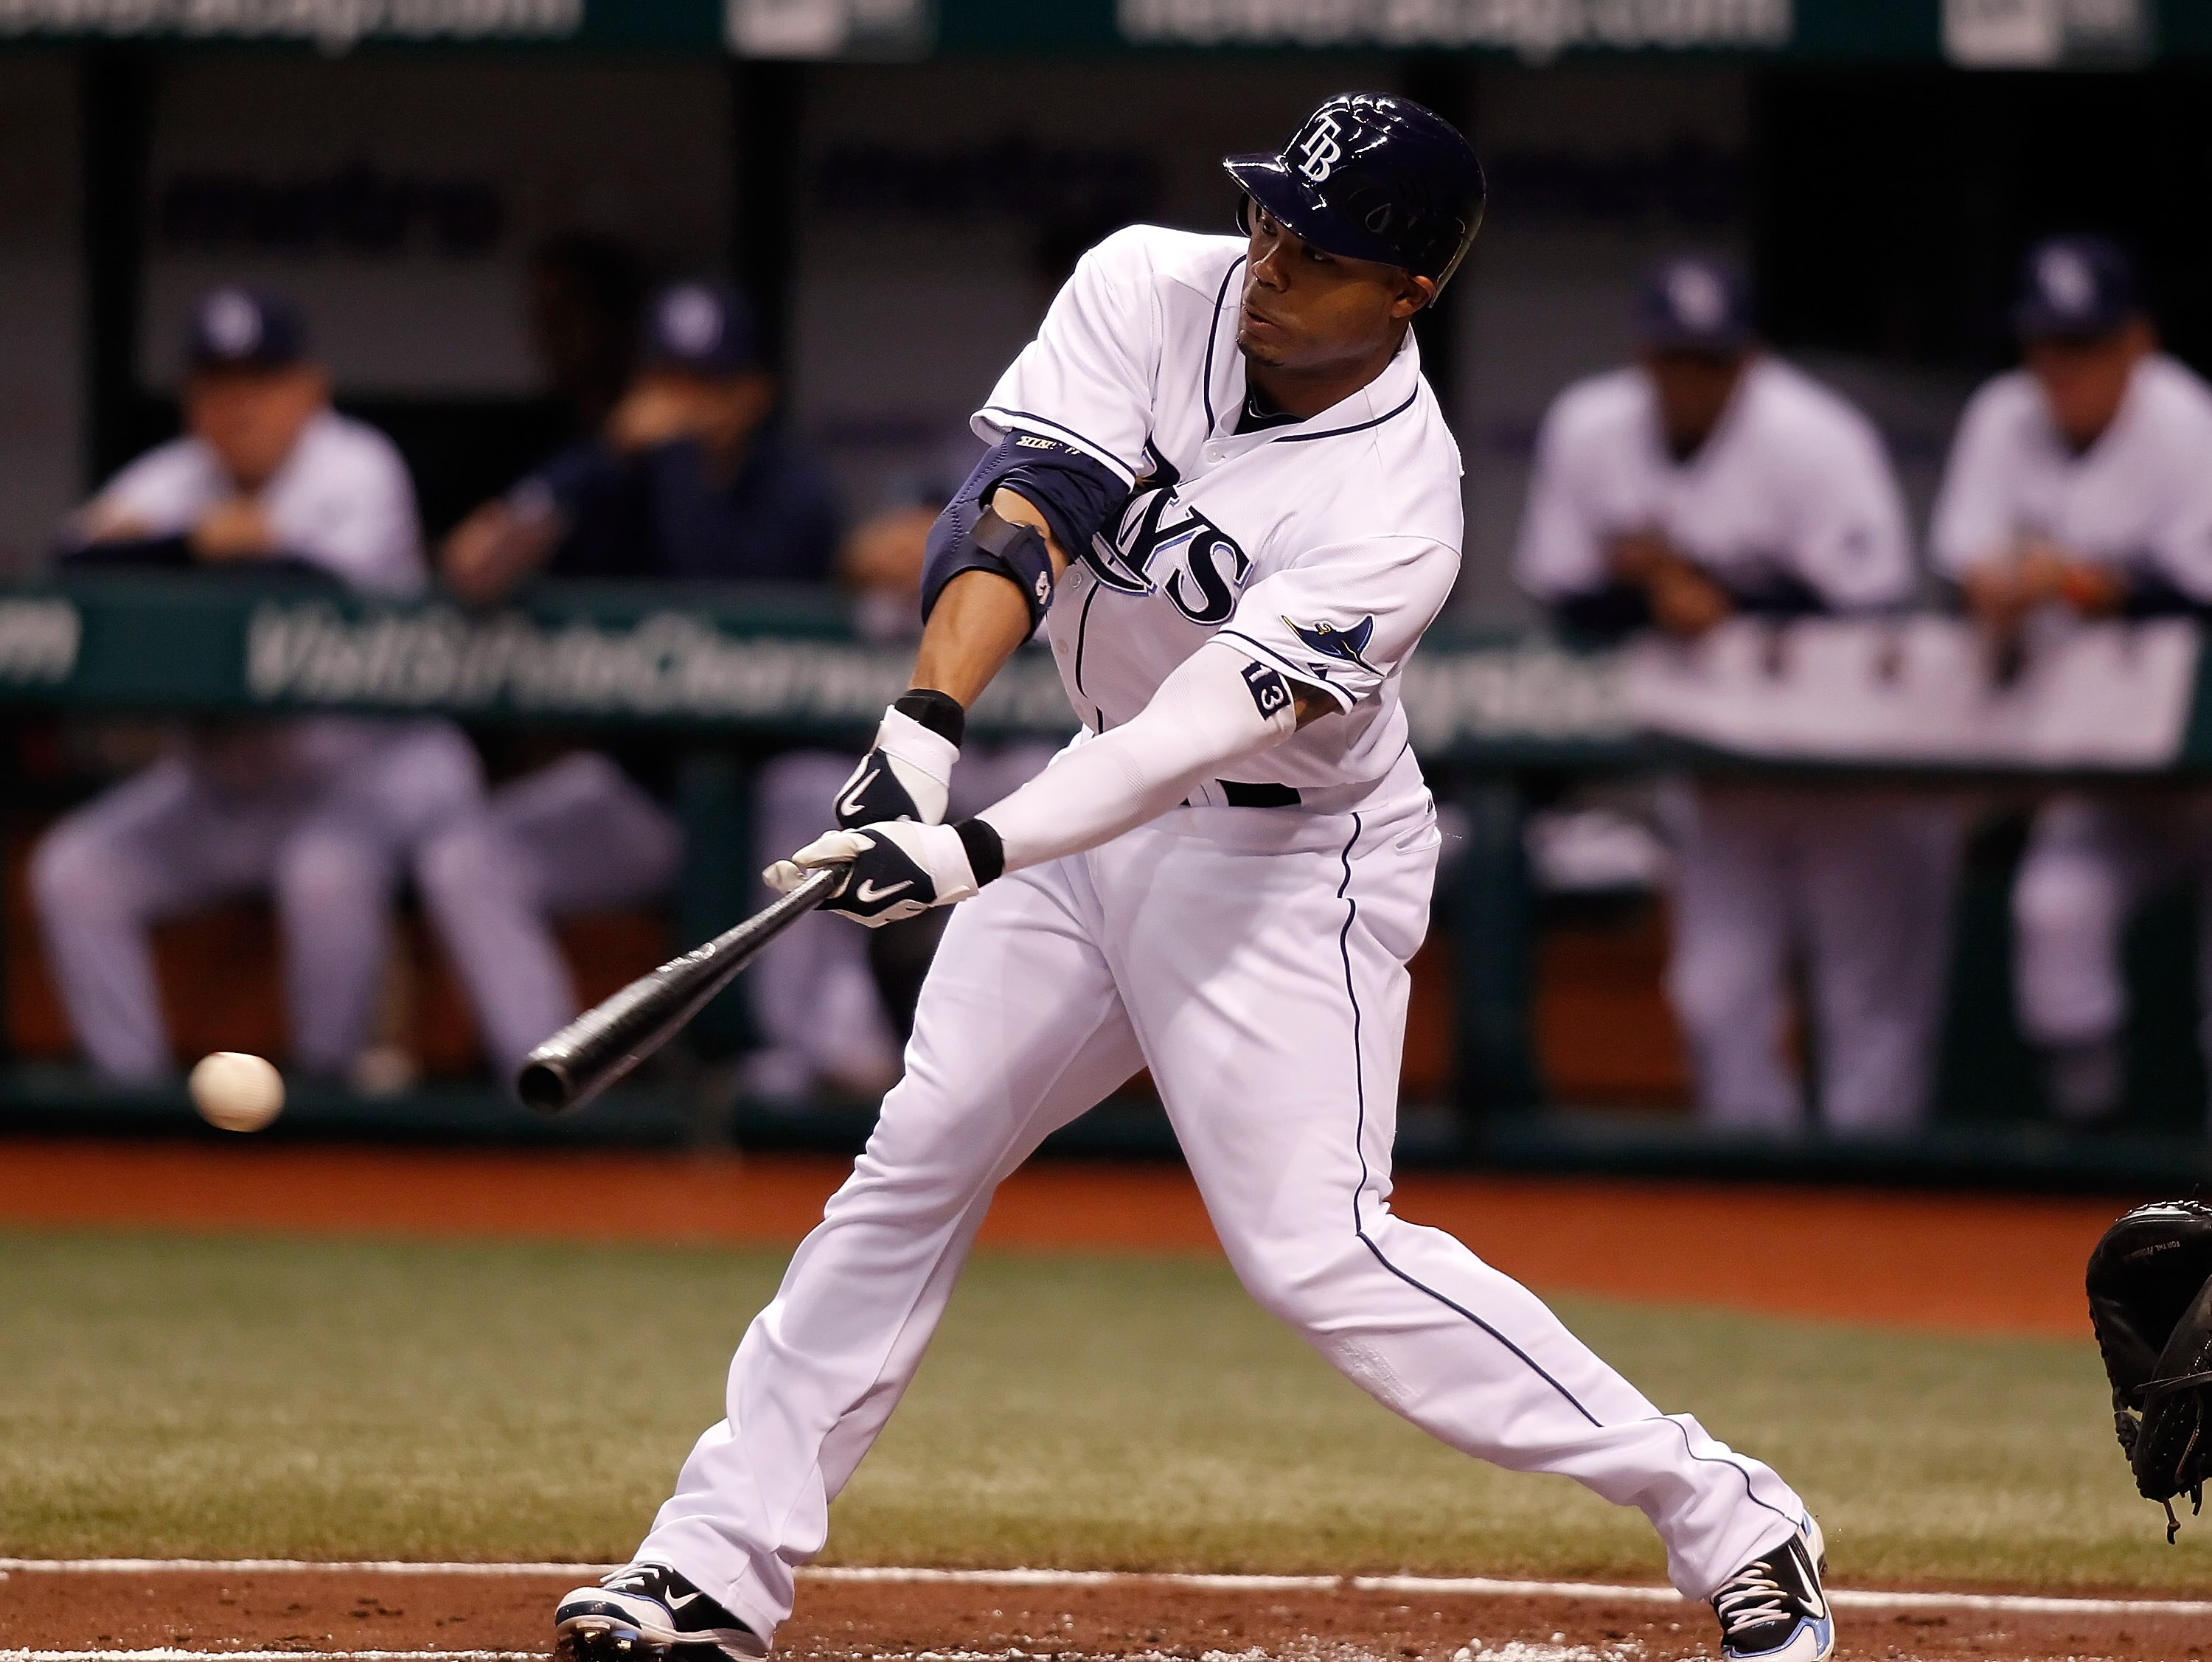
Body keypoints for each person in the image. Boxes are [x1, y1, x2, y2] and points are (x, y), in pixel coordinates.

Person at [552, 97, 1834, 1662]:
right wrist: (922, 734)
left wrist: (961, 848)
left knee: (1321, 1255)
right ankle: (711, 1565)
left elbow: (1186, 735)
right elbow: (1016, 513)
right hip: (1081, 802)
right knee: (914, 1163)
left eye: (1324, 248)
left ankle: (1734, 1514)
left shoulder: (1398, 511)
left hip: (1287, 862)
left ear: (1409, 292)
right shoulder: (1148, 285)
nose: (1272, 259)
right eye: (1272, 216)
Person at [1515, 254, 1955, 1137]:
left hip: (1850, 766)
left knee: (1864, 998)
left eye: (1709, 360)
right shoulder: (1591, 427)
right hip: (1722, 764)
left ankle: (1876, 1213)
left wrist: (1718, 597)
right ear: (1644, 356)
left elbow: (1872, 599)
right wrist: (1657, 592)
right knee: (1716, 995)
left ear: (1747, 358)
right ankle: (1761, 1225)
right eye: (1674, 357)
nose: (1689, 378)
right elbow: (1559, 584)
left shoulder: (1817, 437)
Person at [32, 285, 481, 1085]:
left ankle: (323, 1098)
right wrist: (200, 545)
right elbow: (73, 564)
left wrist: (179, 552)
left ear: (309, 388)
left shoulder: (356, 467)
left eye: (260, 382)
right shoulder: (179, 478)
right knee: (75, 867)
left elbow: (316, 591)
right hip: (229, 788)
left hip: (373, 767)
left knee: (326, 871)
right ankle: (129, 1100)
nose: (236, 408)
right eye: (215, 385)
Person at [419, 282, 860, 1088]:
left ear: (753, 393)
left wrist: (675, 463)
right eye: (669, 383)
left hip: (771, 806)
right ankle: (561, 1077)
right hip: (646, 800)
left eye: (708, 386)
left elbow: (712, 592)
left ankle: (784, 1077)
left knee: (814, 809)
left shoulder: (797, 490)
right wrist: (598, 462)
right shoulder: (608, 471)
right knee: (463, 855)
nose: (684, 408)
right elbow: (475, 567)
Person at [1932, 236, 2212, 1126]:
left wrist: (2071, 578)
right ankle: (2085, 1150)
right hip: (2102, 763)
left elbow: (2194, 587)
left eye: (2082, 345)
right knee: (2056, 910)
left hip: (2202, 766)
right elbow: (1962, 563)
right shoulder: (2003, 413)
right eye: (2045, 344)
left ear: (2136, 342)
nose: (2058, 367)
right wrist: (2005, 585)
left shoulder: (2187, 421)